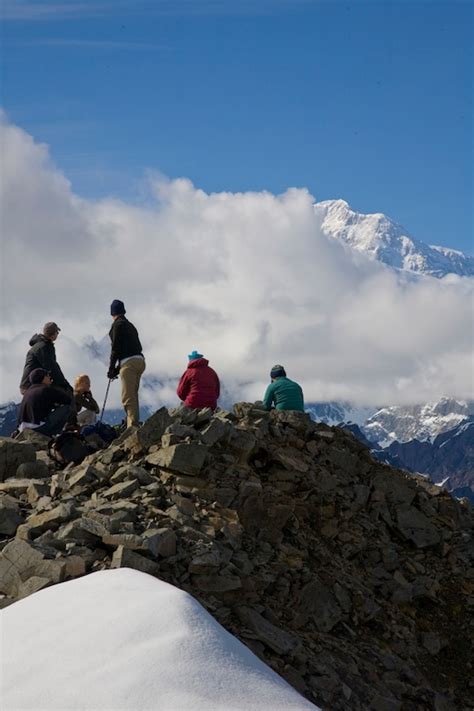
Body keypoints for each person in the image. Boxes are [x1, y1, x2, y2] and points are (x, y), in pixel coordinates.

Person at [107, 299, 145, 428]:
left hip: (129, 363)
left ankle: (133, 426)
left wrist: (111, 368)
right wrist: (117, 369)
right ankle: (132, 422)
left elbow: (116, 348)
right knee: (133, 394)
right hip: (140, 361)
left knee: (127, 397)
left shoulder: (117, 325)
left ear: (112, 313)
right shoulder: (130, 325)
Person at [19, 322, 73, 396]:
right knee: (64, 395)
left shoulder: (42, 345)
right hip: (30, 385)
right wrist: (65, 385)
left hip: (30, 384)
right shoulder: (43, 347)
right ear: (53, 334)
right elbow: (52, 368)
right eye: (57, 332)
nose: (57, 334)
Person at [17, 368, 71, 436]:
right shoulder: (46, 389)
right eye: (48, 376)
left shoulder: (27, 392)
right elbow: (67, 400)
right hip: (38, 428)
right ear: (43, 378)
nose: (50, 378)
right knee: (67, 408)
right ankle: (53, 435)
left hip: (22, 429)